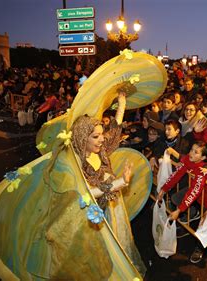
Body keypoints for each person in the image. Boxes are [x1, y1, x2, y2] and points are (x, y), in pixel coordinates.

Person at [70, 92, 146, 275]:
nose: (102, 139)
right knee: (101, 251)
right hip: (95, 216)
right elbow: (85, 194)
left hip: (113, 207)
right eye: (96, 137)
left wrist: (121, 104)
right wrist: (118, 183)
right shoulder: (76, 163)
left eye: (101, 135)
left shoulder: (101, 149)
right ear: (82, 138)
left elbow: (115, 129)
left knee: (119, 241)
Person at [156, 141, 207, 264]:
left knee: (203, 226)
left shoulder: (201, 170)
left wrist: (178, 210)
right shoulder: (188, 159)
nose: (191, 153)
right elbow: (177, 174)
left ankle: (200, 248)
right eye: (192, 149)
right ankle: (193, 213)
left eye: (196, 152)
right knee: (176, 198)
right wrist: (164, 189)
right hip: (197, 196)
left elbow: (194, 191)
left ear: (203, 157)